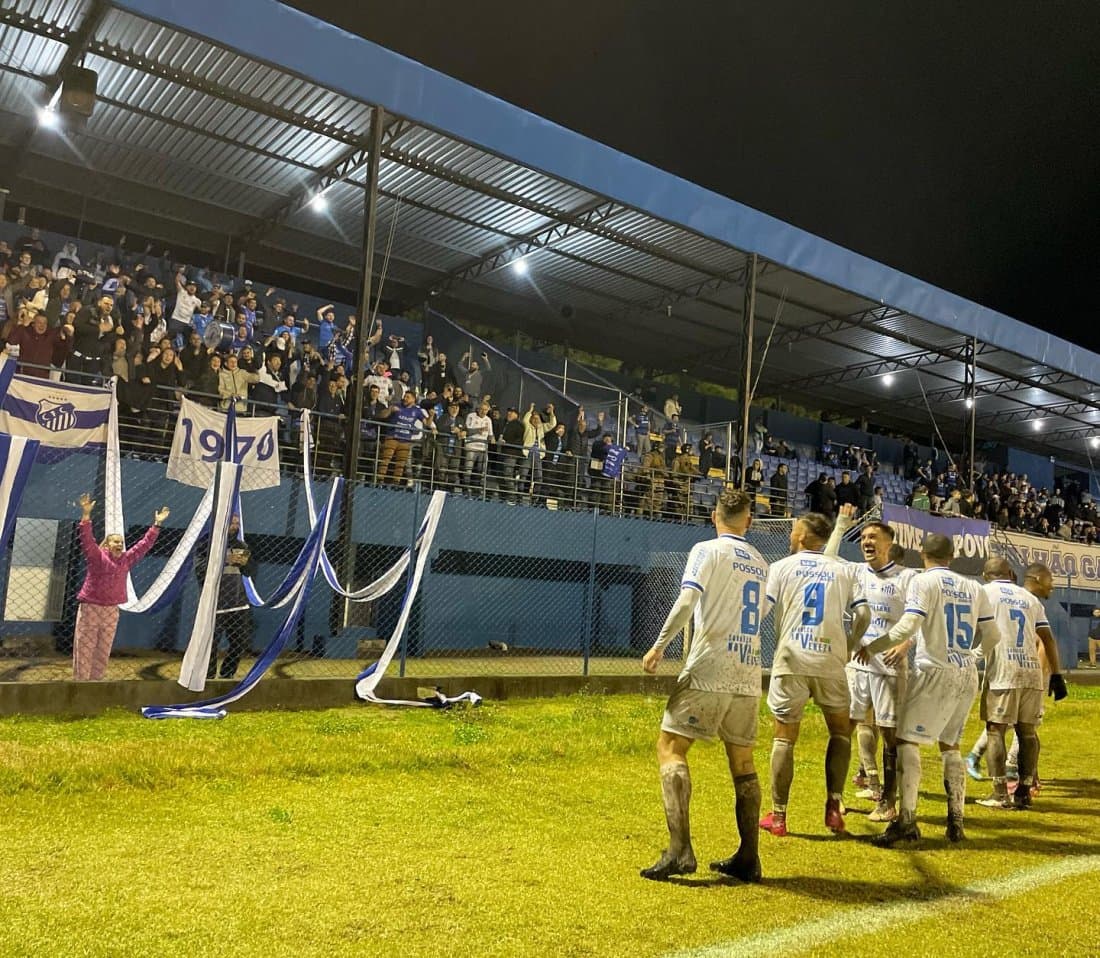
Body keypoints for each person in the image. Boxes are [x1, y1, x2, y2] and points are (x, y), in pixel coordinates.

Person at [640, 488, 768, 882]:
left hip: (711, 666)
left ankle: (680, 850)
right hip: (748, 672)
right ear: (748, 521)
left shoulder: (706, 551)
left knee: (670, 746)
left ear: (715, 517)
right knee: (743, 762)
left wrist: (658, 645)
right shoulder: (762, 562)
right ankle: (749, 856)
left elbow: (687, 601)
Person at [862, 534, 1002, 847]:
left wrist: (874, 646)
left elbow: (908, 625)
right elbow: (992, 634)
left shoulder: (923, 582)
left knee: (906, 741)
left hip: (934, 669)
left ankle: (907, 822)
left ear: (922, 552)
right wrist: (974, 657)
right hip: (965, 672)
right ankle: (955, 823)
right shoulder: (974, 587)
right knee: (950, 745)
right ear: (952, 556)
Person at [759, 512, 866, 837]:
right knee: (839, 732)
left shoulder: (781, 567)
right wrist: (850, 644)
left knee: (784, 737)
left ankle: (778, 816)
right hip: (830, 659)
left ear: (803, 536)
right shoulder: (845, 570)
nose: (790, 535)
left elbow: (761, 610)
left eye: (794, 530)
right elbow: (863, 613)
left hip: (792, 659)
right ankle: (834, 805)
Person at [827, 507, 916, 823]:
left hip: (888, 665)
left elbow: (918, 618)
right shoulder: (855, 572)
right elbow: (827, 559)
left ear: (888, 543)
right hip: (856, 665)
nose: (867, 542)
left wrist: (905, 645)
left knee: (890, 733)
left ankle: (889, 802)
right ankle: (836, 800)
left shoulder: (906, 578)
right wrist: (840, 527)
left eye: (873, 537)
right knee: (845, 728)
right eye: (863, 537)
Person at [974, 560, 1067, 810]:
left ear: (986, 575)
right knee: (1027, 733)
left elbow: (974, 629)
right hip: (1031, 672)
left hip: (1004, 670)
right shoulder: (1029, 599)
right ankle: (1024, 791)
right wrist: (1057, 675)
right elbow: (1047, 639)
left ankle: (999, 793)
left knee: (996, 730)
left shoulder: (985, 592)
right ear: (1011, 575)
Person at [73, 493, 169, 680]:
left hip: (111, 609)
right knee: (85, 646)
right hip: (91, 607)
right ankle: (80, 684)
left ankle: (96, 683)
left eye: (121, 542)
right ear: (107, 544)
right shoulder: (97, 557)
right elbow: (87, 540)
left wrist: (156, 525)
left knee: (103, 649)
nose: (120, 544)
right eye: (116, 541)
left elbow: (143, 545)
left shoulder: (126, 560)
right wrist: (86, 515)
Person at [205, 521, 257, 681]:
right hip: (215, 604)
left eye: (237, 523)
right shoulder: (209, 544)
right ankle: (208, 676)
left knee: (240, 641)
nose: (235, 526)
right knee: (210, 643)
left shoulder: (242, 545)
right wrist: (224, 560)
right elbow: (201, 570)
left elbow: (249, 573)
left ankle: (227, 673)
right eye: (231, 523)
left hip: (238, 602)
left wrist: (245, 563)